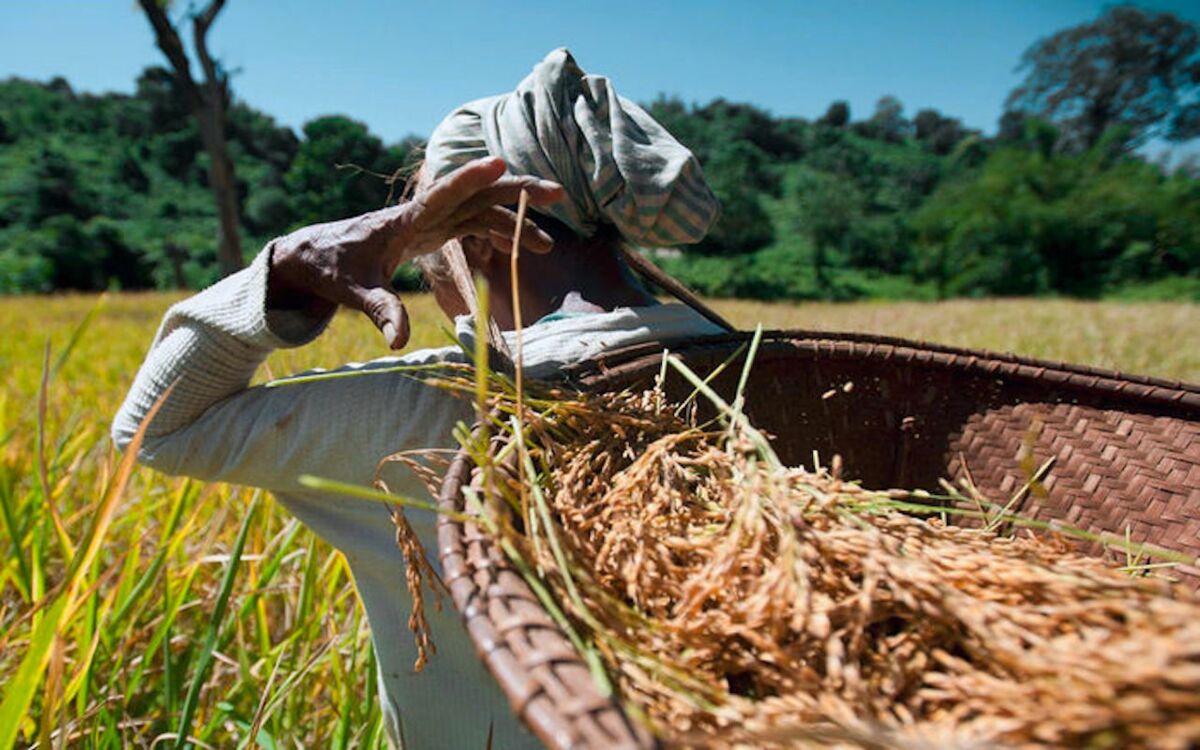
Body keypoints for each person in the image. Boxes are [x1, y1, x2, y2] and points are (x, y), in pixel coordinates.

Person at [113, 48, 727, 748]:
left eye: (426, 227)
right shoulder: (773, 370)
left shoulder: (422, 412)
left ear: (485, 239)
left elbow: (154, 428)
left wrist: (289, 265)